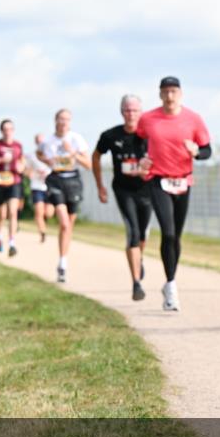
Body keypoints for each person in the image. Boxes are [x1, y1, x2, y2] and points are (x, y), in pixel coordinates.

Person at [135, 77, 212, 311]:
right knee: (167, 233)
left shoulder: (193, 119)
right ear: (160, 94)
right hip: (158, 180)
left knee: (176, 236)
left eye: (174, 91)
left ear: (180, 94)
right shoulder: (148, 119)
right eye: (166, 92)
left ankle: (170, 279)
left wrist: (196, 151)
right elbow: (137, 142)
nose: (170, 96)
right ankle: (171, 286)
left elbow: (208, 150)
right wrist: (142, 159)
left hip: (183, 182)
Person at [93, 94, 152, 301]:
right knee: (133, 232)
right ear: (121, 112)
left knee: (143, 234)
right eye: (127, 110)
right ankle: (136, 283)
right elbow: (96, 155)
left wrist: (149, 172)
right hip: (123, 190)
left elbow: (163, 157)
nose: (131, 114)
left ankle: (139, 258)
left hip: (147, 190)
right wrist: (100, 185)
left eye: (135, 110)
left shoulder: (150, 135)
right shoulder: (110, 136)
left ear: (141, 112)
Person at [38, 109, 91, 283]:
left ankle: (62, 261)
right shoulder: (48, 141)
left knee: (69, 227)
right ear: (55, 120)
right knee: (64, 223)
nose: (63, 122)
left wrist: (73, 153)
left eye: (67, 119)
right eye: (61, 119)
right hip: (55, 180)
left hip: (73, 181)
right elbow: (39, 152)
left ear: (70, 122)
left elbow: (88, 164)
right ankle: (62, 264)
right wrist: (47, 161)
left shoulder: (76, 139)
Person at [0, 119, 25, 257]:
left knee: (13, 212)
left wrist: (22, 166)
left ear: (13, 131)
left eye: (10, 129)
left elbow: (22, 161)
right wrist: (0, 160)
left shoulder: (18, 145)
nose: (8, 132)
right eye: (5, 129)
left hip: (14, 181)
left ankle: (12, 243)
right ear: (1, 131)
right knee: (1, 215)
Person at [27, 133, 53, 242]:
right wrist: (34, 173)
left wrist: (47, 174)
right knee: (39, 212)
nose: (40, 143)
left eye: (42, 141)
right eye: (38, 141)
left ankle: (43, 221)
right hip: (37, 186)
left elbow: (57, 167)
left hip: (50, 186)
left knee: (49, 213)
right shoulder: (31, 156)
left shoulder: (51, 153)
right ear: (35, 142)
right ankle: (42, 233)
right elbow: (27, 170)